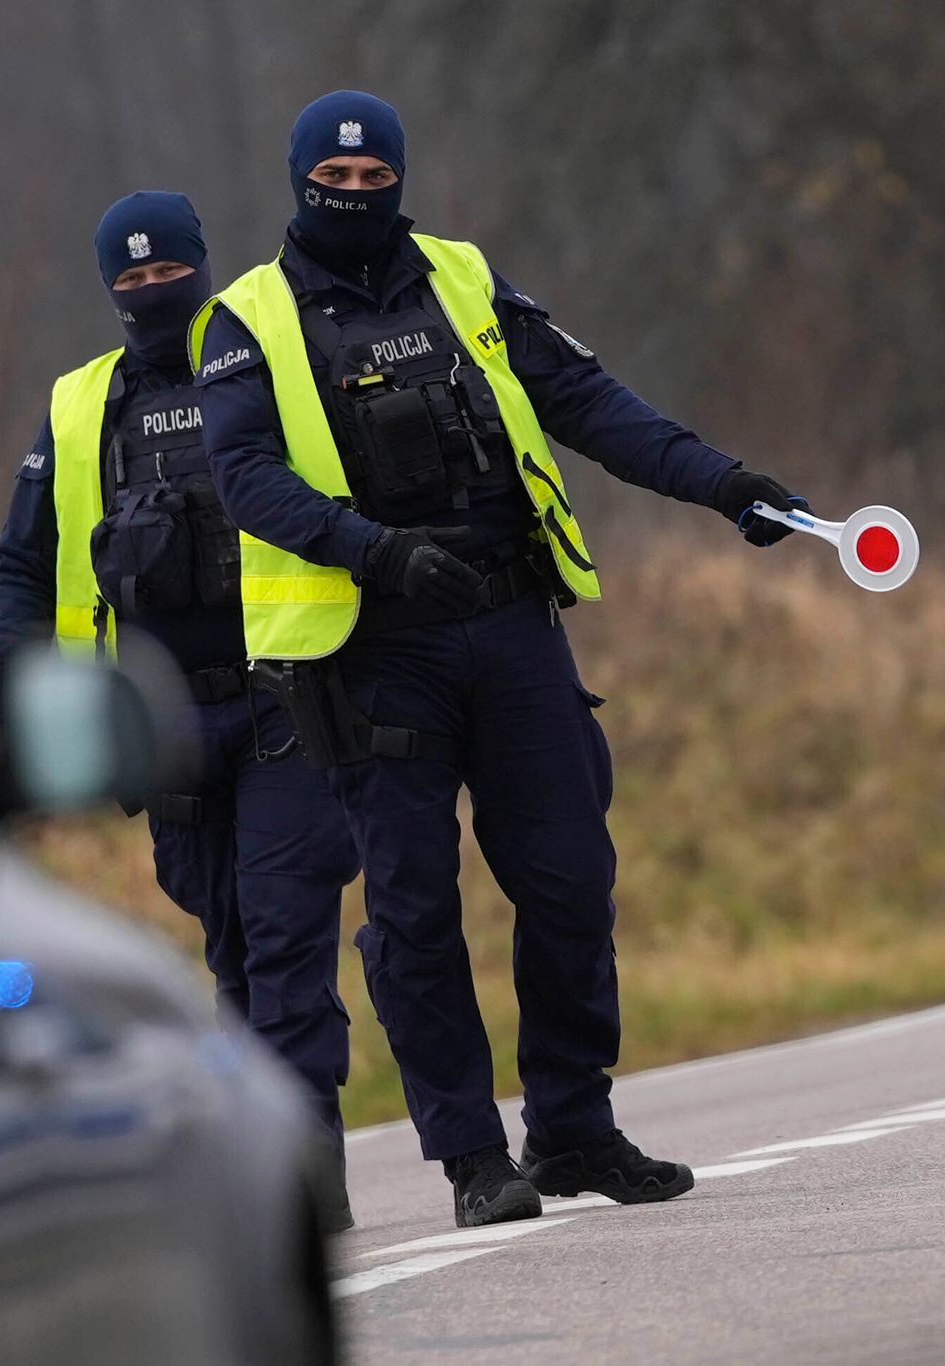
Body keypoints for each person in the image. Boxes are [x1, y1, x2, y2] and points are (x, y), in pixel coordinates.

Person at [192, 91, 806, 1229]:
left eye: (377, 180)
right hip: (373, 650)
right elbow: (245, 479)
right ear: (297, 182)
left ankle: (572, 1127)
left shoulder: (463, 276)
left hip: (512, 622)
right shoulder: (244, 321)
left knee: (571, 879)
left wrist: (724, 485)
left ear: (400, 179)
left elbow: (581, 397)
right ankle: (473, 1157)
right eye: (336, 181)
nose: (357, 197)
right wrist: (373, 552)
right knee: (416, 911)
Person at [0, 191, 362, 1225]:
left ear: (202, 264)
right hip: (163, 727)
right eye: (131, 278)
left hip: (284, 696)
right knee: (230, 942)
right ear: (107, 287)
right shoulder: (78, 408)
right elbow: (22, 565)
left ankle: (309, 1166)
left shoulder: (260, 357)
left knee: (285, 936)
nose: (152, 291)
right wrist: (11, 686)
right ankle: (269, 1158)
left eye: (168, 272)